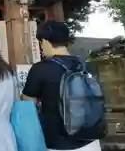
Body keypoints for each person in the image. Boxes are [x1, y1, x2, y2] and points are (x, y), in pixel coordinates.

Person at [23, 20, 102, 151]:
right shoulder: (85, 65)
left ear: (45, 41)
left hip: (58, 144)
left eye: (41, 43)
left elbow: (27, 104)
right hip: (91, 141)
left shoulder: (40, 69)